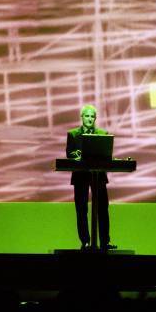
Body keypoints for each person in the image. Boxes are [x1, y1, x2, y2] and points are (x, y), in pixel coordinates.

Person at [66, 105, 116, 251]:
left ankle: (105, 242)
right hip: (80, 175)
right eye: (87, 116)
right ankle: (85, 242)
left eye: (92, 116)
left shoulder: (102, 133)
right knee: (81, 209)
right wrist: (78, 155)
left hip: (98, 176)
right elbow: (69, 154)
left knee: (102, 209)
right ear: (82, 117)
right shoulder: (73, 134)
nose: (89, 119)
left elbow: (106, 155)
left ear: (95, 118)